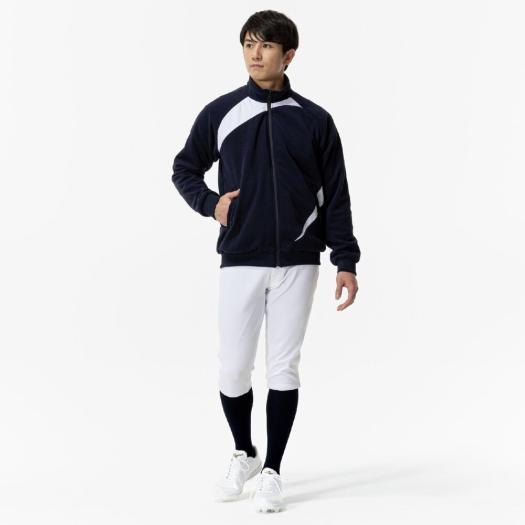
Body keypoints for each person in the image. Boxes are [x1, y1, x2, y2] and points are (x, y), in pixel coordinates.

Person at [171, 9, 360, 513]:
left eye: (266, 46)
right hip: (241, 256)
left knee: (283, 367)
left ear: (288, 54)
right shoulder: (222, 112)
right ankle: (245, 452)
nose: (255, 55)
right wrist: (212, 205)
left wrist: (346, 259)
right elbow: (184, 168)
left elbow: (337, 195)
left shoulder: (315, 120)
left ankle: (273, 469)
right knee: (234, 367)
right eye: (249, 45)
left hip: (299, 259)